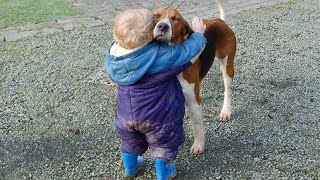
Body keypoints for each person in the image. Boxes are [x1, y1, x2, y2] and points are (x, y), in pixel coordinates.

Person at [105, 8, 207, 180]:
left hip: (124, 116)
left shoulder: (114, 56)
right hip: (157, 117)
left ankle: (130, 168)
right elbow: (186, 52)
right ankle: (164, 172)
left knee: (130, 142)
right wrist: (197, 34)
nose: (162, 23)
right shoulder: (160, 57)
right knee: (163, 143)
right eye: (156, 18)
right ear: (148, 35)